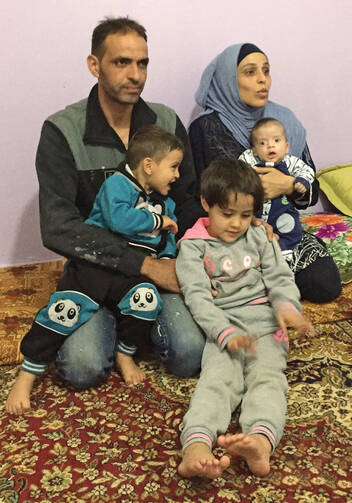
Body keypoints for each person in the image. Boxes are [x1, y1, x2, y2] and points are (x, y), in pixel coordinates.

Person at [31, 16, 207, 393]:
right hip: (94, 273)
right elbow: (58, 226)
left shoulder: (165, 121)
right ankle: (119, 324)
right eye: (121, 62)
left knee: (190, 355)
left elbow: (188, 200)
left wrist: (223, 233)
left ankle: (134, 327)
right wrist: (144, 265)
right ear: (94, 65)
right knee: (82, 369)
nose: (135, 75)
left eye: (142, 63)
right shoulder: (62, 131)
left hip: (155, 271)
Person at [6, 125, 185, 414]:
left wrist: (167, 256)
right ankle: (26, 377)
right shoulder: (117, 184)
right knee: (64, 312)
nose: (177, 175)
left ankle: (125, 354)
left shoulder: (165, 203)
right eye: (174, 167)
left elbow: (168, 239)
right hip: (96, 268)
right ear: (149, 166)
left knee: (147, 299)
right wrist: (157, 222)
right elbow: (119, 220)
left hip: (130, 276)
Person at [176, 159, 314, 479]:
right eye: (227, 214)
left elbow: (280, 278)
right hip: (224, 328)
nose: (237, 224)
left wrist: (289, 309)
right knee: (215, 383)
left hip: (267, 326)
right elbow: (197, 297)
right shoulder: (193, 247)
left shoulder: (259, 236)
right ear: (205, 204)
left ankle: (261, 444)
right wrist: (225, 333)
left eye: (246, 214)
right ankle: (196, 447)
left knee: (268, 380)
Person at [189, 43, 341, 303]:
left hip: (286, 229)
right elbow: (200, 196)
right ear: (227, 80)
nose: (262, 80)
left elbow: (311, 188)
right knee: (231, 286)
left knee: (326, 284)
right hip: (235, 233)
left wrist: (288, 185)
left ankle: (270, 282)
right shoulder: (206, 128)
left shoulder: (284, 122)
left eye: (266, 71)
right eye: (250, 72)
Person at [239, 117, 315, 262]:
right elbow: (237, 172)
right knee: (251, 233)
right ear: (254, 150)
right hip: (256, 215)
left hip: (283, 212)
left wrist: (300, 182)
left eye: (276, 141)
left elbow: (307, 171)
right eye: (262, 143)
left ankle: (285, 250)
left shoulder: (290, 161)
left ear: (286, 147)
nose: (270, 146)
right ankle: (257, 255)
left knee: (291, 229)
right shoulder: (250, 160)